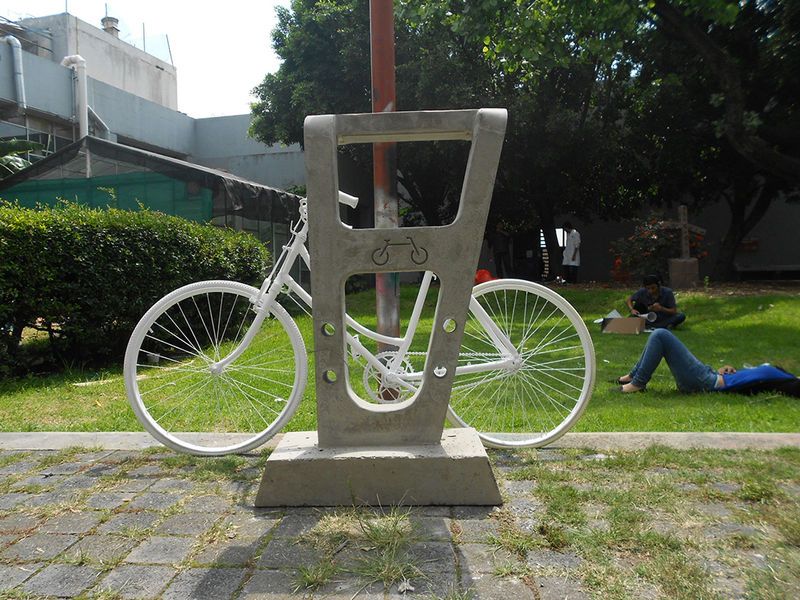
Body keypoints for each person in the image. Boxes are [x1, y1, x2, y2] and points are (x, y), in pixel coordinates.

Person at [617, 329, 800, 397]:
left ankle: (638, 383)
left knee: (661, 335)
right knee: (660, 335)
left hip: (708, 382)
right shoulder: (782, 375)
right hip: (713, 375)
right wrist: (725, 371)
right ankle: (632, 377)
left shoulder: (789, 382)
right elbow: (747, 380)